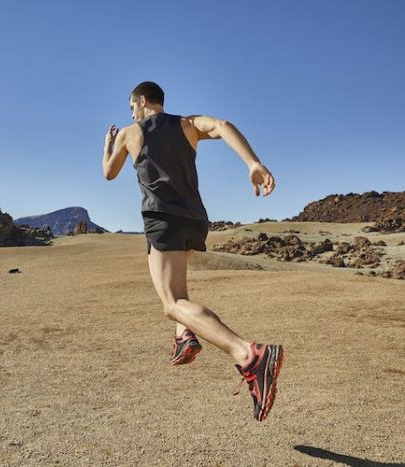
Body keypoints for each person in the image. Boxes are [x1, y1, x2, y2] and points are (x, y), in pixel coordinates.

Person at [101, 81, 284, 422]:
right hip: (195, 220)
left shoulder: (130, 132)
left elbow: (108, 172)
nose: (131, 113)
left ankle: (249, 355)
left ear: (141, 102)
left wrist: (107, 145)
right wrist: (252, 163)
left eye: (131, 108)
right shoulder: (187, 124)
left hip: (162, 218)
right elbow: (222, 125)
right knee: (179, 295)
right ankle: (185, 337)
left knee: (172, 304)